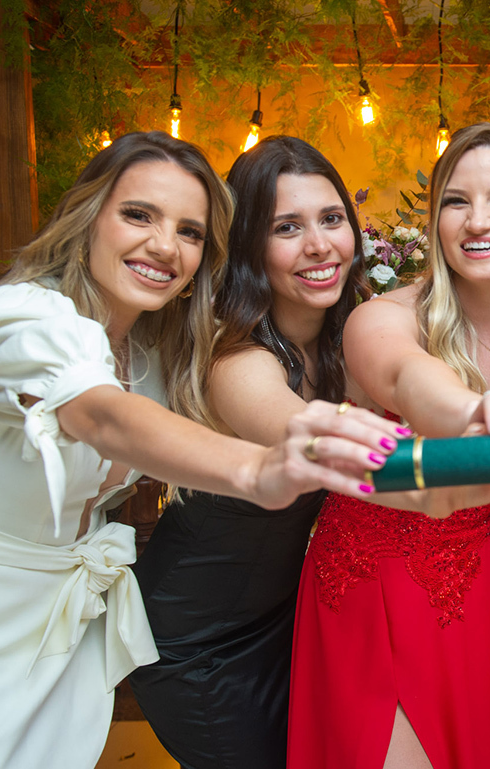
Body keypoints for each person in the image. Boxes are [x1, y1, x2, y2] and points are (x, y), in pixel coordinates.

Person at [0, 132, 401, 769]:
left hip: (69, 625)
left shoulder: (156, 352)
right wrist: (258, 469)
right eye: (138, 215)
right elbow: (99, 415)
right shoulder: (24, 316)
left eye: (191, 231)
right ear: (88, 216)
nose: (164, 245)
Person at [288, 122, 490, 769]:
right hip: (372, 588)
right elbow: (407, 380)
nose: (478, 220)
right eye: (457, 200)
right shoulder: (384, 318)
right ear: (435, 218)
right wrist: (481, 414)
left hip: (479, 588)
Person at [126, 136, 391, 767]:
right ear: (249, 246)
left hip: (282, 622)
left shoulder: (346, 337)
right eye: (287, 228)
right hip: (196, 640)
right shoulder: (236, 359)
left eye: (331, 220)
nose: (320, 245)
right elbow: (314, 442)